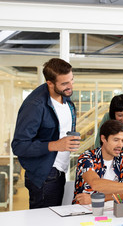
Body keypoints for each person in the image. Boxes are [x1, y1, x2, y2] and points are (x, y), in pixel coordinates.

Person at [11, 58, 80, 209]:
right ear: (50, 83)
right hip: (45, 175)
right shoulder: (34, 105)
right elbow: (19, 146)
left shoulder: (65, 97)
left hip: (60, 169)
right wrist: (55, 145)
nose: (70, 87)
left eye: (71, 80)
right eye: (64, 83)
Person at [73, 120, 123, 205]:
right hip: (84, 210)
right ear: (103, 138)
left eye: (122, 140)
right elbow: (96, 183)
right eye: (116, 140)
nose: (120, 145)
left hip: (113, 210)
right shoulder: (86, 157)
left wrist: (94, 198)